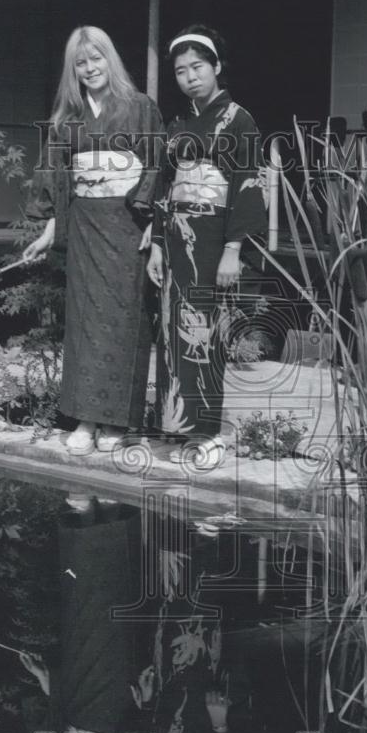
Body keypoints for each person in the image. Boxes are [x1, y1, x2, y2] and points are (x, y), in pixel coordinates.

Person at [23, 26, 163, 456]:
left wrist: (154, 222)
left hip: (127, 225)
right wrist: (49, 229)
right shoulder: (68, 118)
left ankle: (118, 421)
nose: (89, 68)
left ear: (111, 59)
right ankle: (84, 419)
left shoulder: (140, 108)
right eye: (80, 63)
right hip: (84, 226)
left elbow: (157, 165)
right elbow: (56, 177)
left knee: (125, 321)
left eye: (96, 58)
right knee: (84, 323)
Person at [147, 26, 268, 471]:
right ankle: (177, 426)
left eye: (197, 67)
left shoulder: (238, 119)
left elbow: (247, 185)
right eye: (180, 71)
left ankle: (210, 432)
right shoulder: (178, 125)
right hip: (176, 238)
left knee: (205, 331)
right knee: (171, 330)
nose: (189, 77)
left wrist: (233, 248)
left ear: (216, 67)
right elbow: (164, 185)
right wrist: (158, 244)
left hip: (214, 236)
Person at [18, 496, 148, 733]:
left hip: (76, 699)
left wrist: (48, 685)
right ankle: (111, 514)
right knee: (118, 612)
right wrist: (146, 707)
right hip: (118, 706)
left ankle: (84, 515)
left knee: (80, 610)